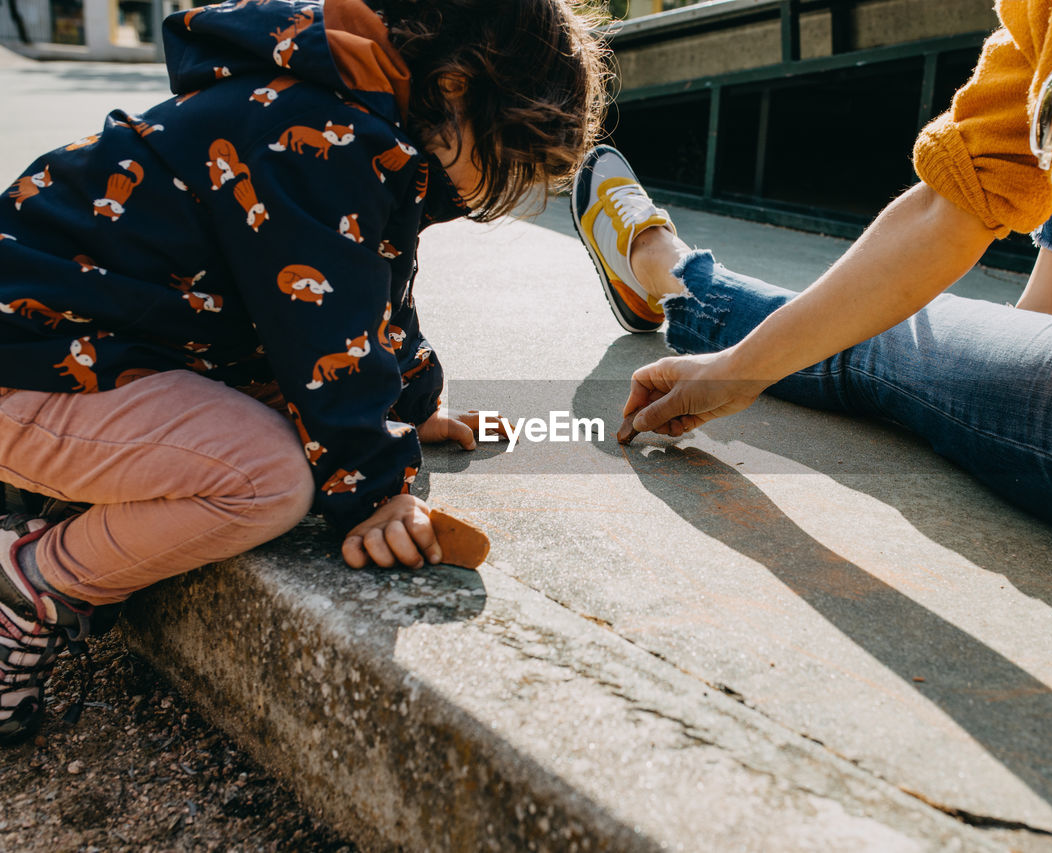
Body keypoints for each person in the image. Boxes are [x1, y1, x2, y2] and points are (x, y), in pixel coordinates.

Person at [572, 0, 1052, 640]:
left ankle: (674, 276)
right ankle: (1017, 340)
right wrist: (736, 372)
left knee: (895, 340)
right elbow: (952, 203)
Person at [0, 0, 607, 743]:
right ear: (455, 88)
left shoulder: (333, 105)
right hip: (30, 361)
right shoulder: (323, 132)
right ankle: (29, 582)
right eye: (507, 157)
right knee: (267, 482)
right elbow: (322, 338)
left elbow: (364, 295)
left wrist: (414, 407)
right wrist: (376, 491)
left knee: (275, 421)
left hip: (66, 346)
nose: (491, 194)